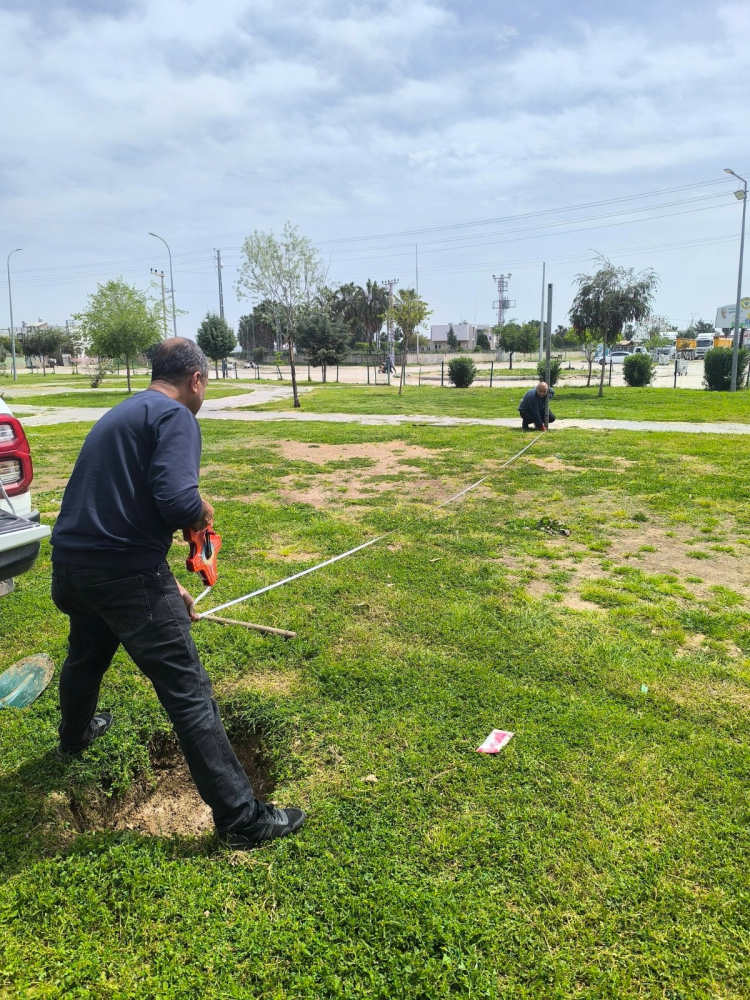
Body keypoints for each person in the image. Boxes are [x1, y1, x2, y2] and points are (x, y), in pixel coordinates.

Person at [50, 338, 305, 849]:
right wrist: (202, 510)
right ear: (197, 380)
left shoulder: (122, 413)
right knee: (188, 692)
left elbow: (122, 514)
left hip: (74, 569)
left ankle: (75, 736)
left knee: (86, 654)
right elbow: (174, 498)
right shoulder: (176, 418)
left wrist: (169, 587)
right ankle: (241, 819)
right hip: (121, 575)